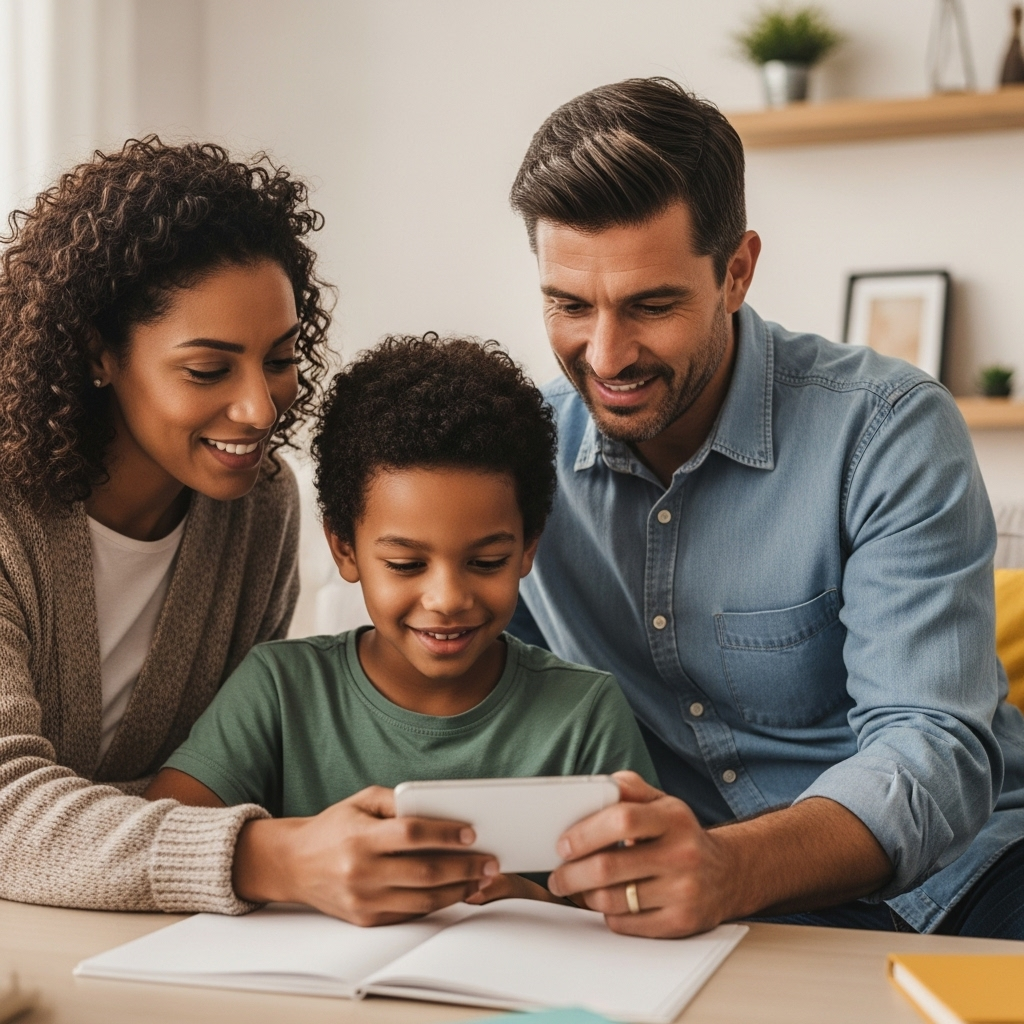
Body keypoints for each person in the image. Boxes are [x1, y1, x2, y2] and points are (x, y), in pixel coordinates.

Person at [506, 77, 1024, 939]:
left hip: (960, 880)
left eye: (651, 305)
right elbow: (479, 704)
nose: (605, 355)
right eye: (569, 305)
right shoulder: (519, 455)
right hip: (682, 912)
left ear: (737, 272)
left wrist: (727, 868)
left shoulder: (887, 430)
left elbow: (932, 746)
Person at [145, 334, 658, 926]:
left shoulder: (585, 715)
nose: (448, 599)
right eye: (407, 564)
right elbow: (160, 838)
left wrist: (535, 903)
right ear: (345, 548)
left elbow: (641, 898)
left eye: (486, 561)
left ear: (527, 548)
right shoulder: (279, 691)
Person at [0, 138, 332, 914]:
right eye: (208, 370)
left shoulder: (260, 510)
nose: (260, 409)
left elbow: (228, 769)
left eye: (280, 358)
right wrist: (264, 856)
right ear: (98, 353)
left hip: (134, 930)